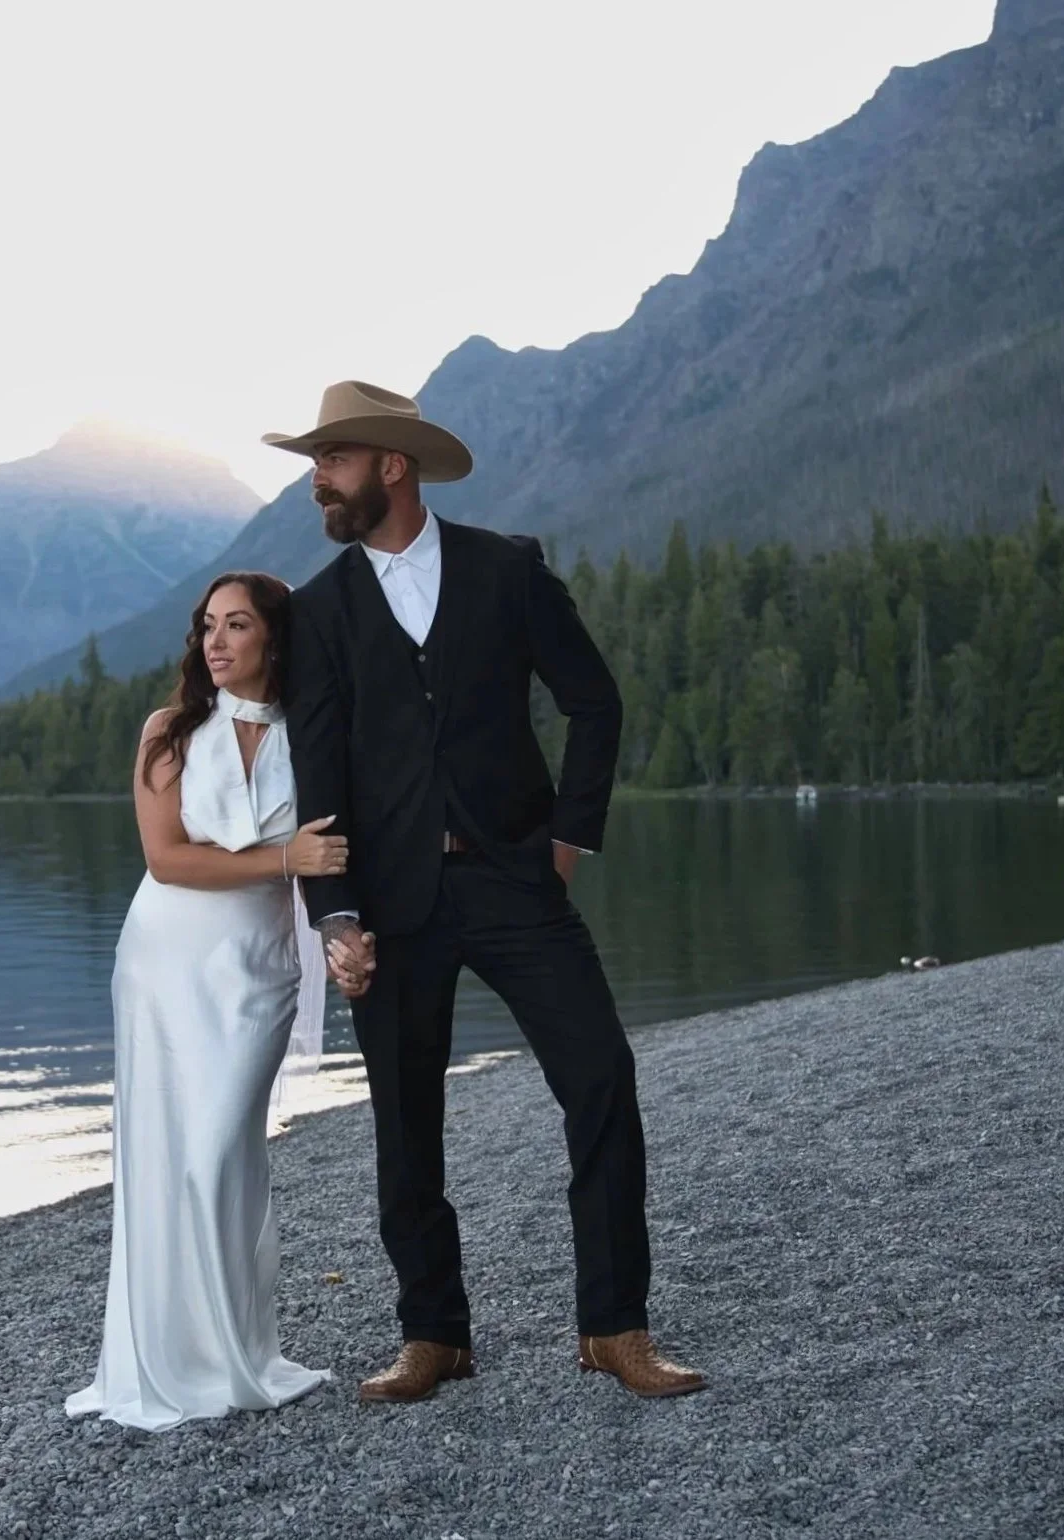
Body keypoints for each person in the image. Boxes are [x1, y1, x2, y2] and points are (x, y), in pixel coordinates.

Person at [267, 380, 706, 1403]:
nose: (317, 479)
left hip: (515, 879)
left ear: (391, 464)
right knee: (403, 1119)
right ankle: (433, 1334)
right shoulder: (317, 611)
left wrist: (563, 845)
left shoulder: (505, 570)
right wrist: (335, 919)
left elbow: (593, 703)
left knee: (599, 1076)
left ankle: (612, 1327)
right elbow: (318, 778)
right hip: (389, 901)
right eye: (314, 460)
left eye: (332, 458)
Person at [64, 571, 344, 1431]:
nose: (214, 642)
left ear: (273, 638)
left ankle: (235, 1348)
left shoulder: (317, 731)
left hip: (258, 964)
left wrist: (344, 934)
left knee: (223, 1149)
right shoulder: (170, 731)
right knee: (163, 1151)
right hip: (162, 959)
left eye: (236, 625)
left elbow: (339, 852)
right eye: (206, 626)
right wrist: (283, 859)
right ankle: (168, 1357)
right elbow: (167, 859)